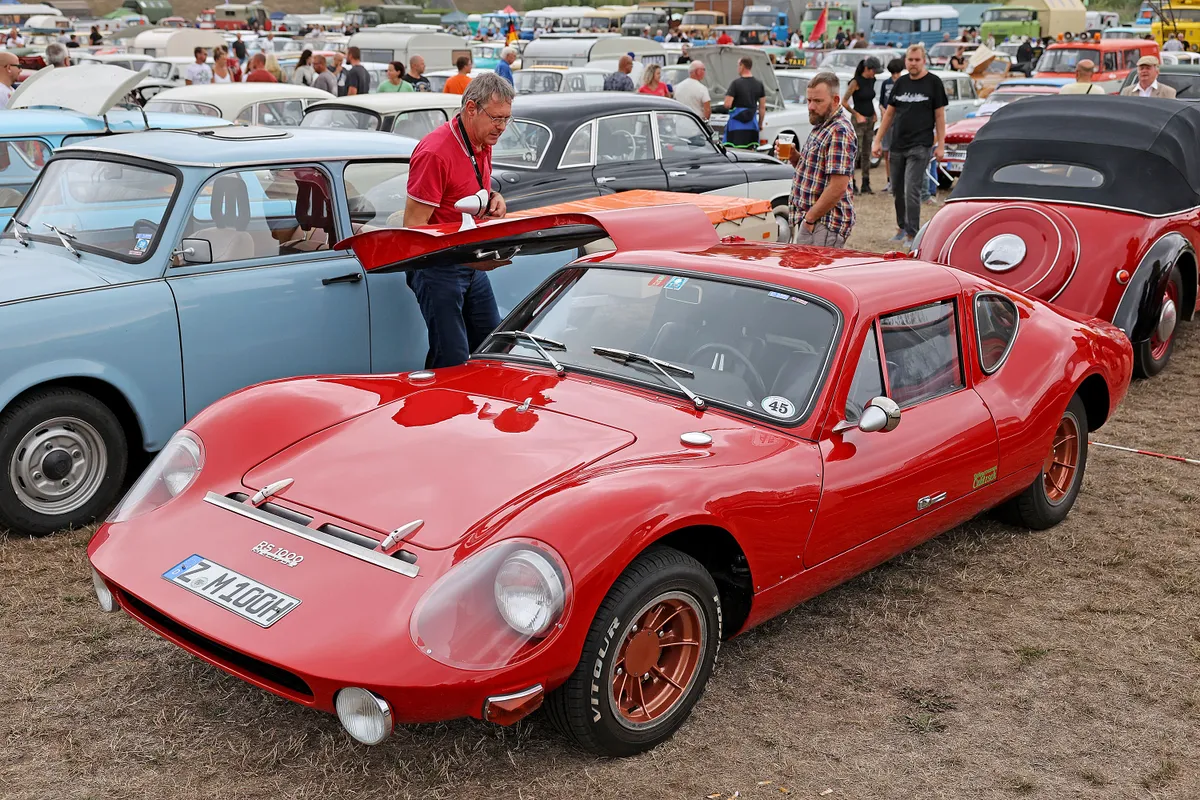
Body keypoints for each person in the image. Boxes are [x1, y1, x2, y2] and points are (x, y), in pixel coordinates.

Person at [403, 73, 515, 369]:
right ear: (471, 109)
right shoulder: (435, 152)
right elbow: (413, 231)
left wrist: (494, 198)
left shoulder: (480, 138)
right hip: (436, 268)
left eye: (507, 119)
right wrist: (469, 261)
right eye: (496, 119)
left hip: (467, 262)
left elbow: (472, 190)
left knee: (495, 347)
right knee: (450, 357)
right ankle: (439, 411)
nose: (502, 128)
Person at [871, 44, 947, 249]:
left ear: (923, 61)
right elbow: (889, 114)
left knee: (911, 188)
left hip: (920, 145)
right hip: (898, 144)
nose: (913, 63)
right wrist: (878, 140)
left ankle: (912, 234)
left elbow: (939, 116)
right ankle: (901, 227)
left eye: (917, 60)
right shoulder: (901, 83)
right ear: (905, 61)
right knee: (897, 189)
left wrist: (941, 144)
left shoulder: (934, 83)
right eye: (910, 60)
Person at [780, 72, 856, 247]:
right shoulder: (822, 124)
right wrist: (794, 157)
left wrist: (810, 219)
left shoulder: (839, 130)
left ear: (836, 100)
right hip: (815, 221)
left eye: (818, 101)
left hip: (823, 223)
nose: (811, 107)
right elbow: (816, 174)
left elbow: (838, 186)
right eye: (809, 101)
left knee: (810, 272)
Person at [842, 57, 879, 193]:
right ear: (867, 69)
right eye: (873, 71)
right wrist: (856, 114)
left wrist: (874, 113)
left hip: (869, 119)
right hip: (858, 121)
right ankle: (851, 182)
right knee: (855, 152)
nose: (874, 74)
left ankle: (866, 182)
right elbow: (844, 102)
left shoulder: (872, 81)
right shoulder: (856, 82)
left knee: (866, 152)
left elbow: (870, 99)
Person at [723, 56, 766, 147]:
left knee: (734, 152)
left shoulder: (735, 84)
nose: (738, 69)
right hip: (752, 126)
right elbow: (762, 107)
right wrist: (760, 124)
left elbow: (727, 104)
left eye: (738, 66)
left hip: (736, 127)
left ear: (742, 66)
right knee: (750, 152)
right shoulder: (759, 84)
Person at [878, 57, 903, 192]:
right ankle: (889, 180)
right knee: (887, 152)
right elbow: (881, 101)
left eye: (897, 72)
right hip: (887, 122)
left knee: (898, 153)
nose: (895, 76)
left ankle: (899, 181)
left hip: (900, 122)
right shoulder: (885, 84)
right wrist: (883, 110)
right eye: (893, 73)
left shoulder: (904, 83)